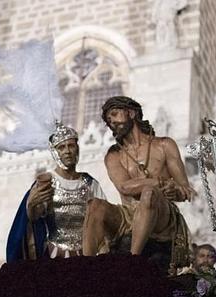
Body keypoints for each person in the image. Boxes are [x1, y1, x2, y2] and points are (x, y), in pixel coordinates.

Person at [82, 96, 194, 273]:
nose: (111, 122)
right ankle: (83, 266)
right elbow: (124, 187)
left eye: (115, 114)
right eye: (108, 120)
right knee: (95, 205)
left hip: (162, 214)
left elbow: (185, 190)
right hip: (129, 214)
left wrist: (175, 191)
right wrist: (159, 182)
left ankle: (132, 261)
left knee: (149, 193)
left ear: (132, 113)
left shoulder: (164, 145)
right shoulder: (114, 155)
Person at [6, 122, 106, 262]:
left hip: (86, 255)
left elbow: (103, 218)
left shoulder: (90, 183)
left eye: (71, 146)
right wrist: (30, 207)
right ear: (55, 152)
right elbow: (33, 219)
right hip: (54, 255)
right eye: (61, 147)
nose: (67, 151)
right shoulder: (46, 183)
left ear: (77, 149)